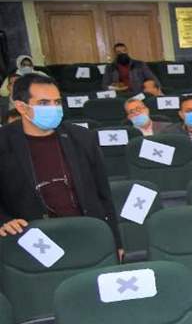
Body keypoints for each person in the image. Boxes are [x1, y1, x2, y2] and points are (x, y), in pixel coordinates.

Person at [0, 74, 121, 250]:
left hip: (86, 234)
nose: (53, 108)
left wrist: (116, 241)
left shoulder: (81, 137)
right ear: (21, 107)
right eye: (44, 103)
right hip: (33, 242)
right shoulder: (4, 142)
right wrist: (3, 220)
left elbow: (103, 194)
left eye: (57, 102)